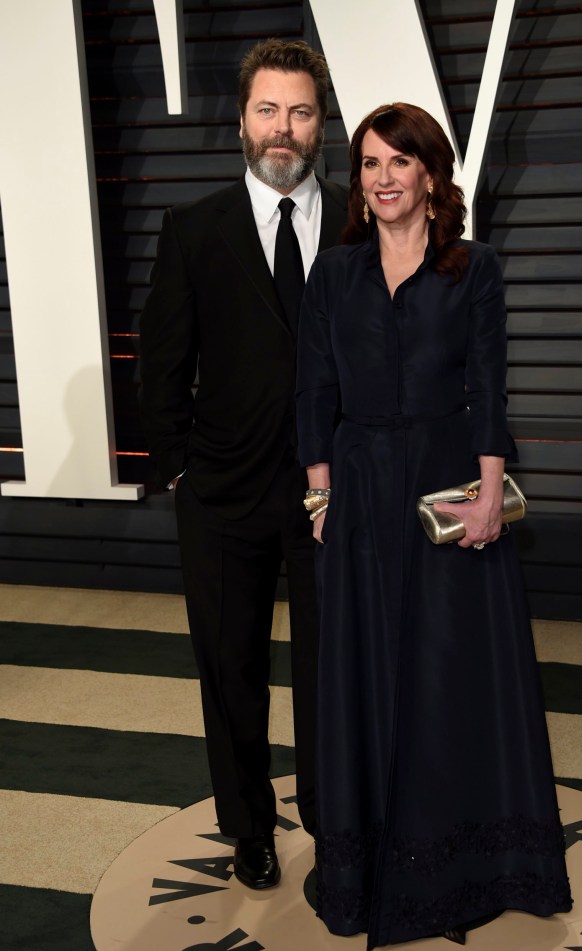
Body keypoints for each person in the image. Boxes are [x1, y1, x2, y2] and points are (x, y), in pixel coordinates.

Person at [296, 103, 572, 949]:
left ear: (429, 173)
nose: (383, 178)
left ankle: (467, 859)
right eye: (371, 163)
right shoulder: (334, 274)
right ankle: (371, 854)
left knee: (451, 673)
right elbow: (313, 388)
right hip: (362, 490)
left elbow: (488, 386)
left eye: (399, 162)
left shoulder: (473, 269)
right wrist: (319, 494)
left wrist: (491, 492)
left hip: (448, 484)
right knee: (371, 668)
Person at [139, 39, 347, 890]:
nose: (283, 129)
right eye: (269, 109)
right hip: (222, 494)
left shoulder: (358, 224)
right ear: (242, 120)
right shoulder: (196, 229)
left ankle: (337, 823)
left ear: (319, 124)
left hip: (337, 490)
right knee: (231, 671)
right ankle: (250, 828)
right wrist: (183, 467)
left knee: (335, 671)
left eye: (299, 111)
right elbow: (160, 362)